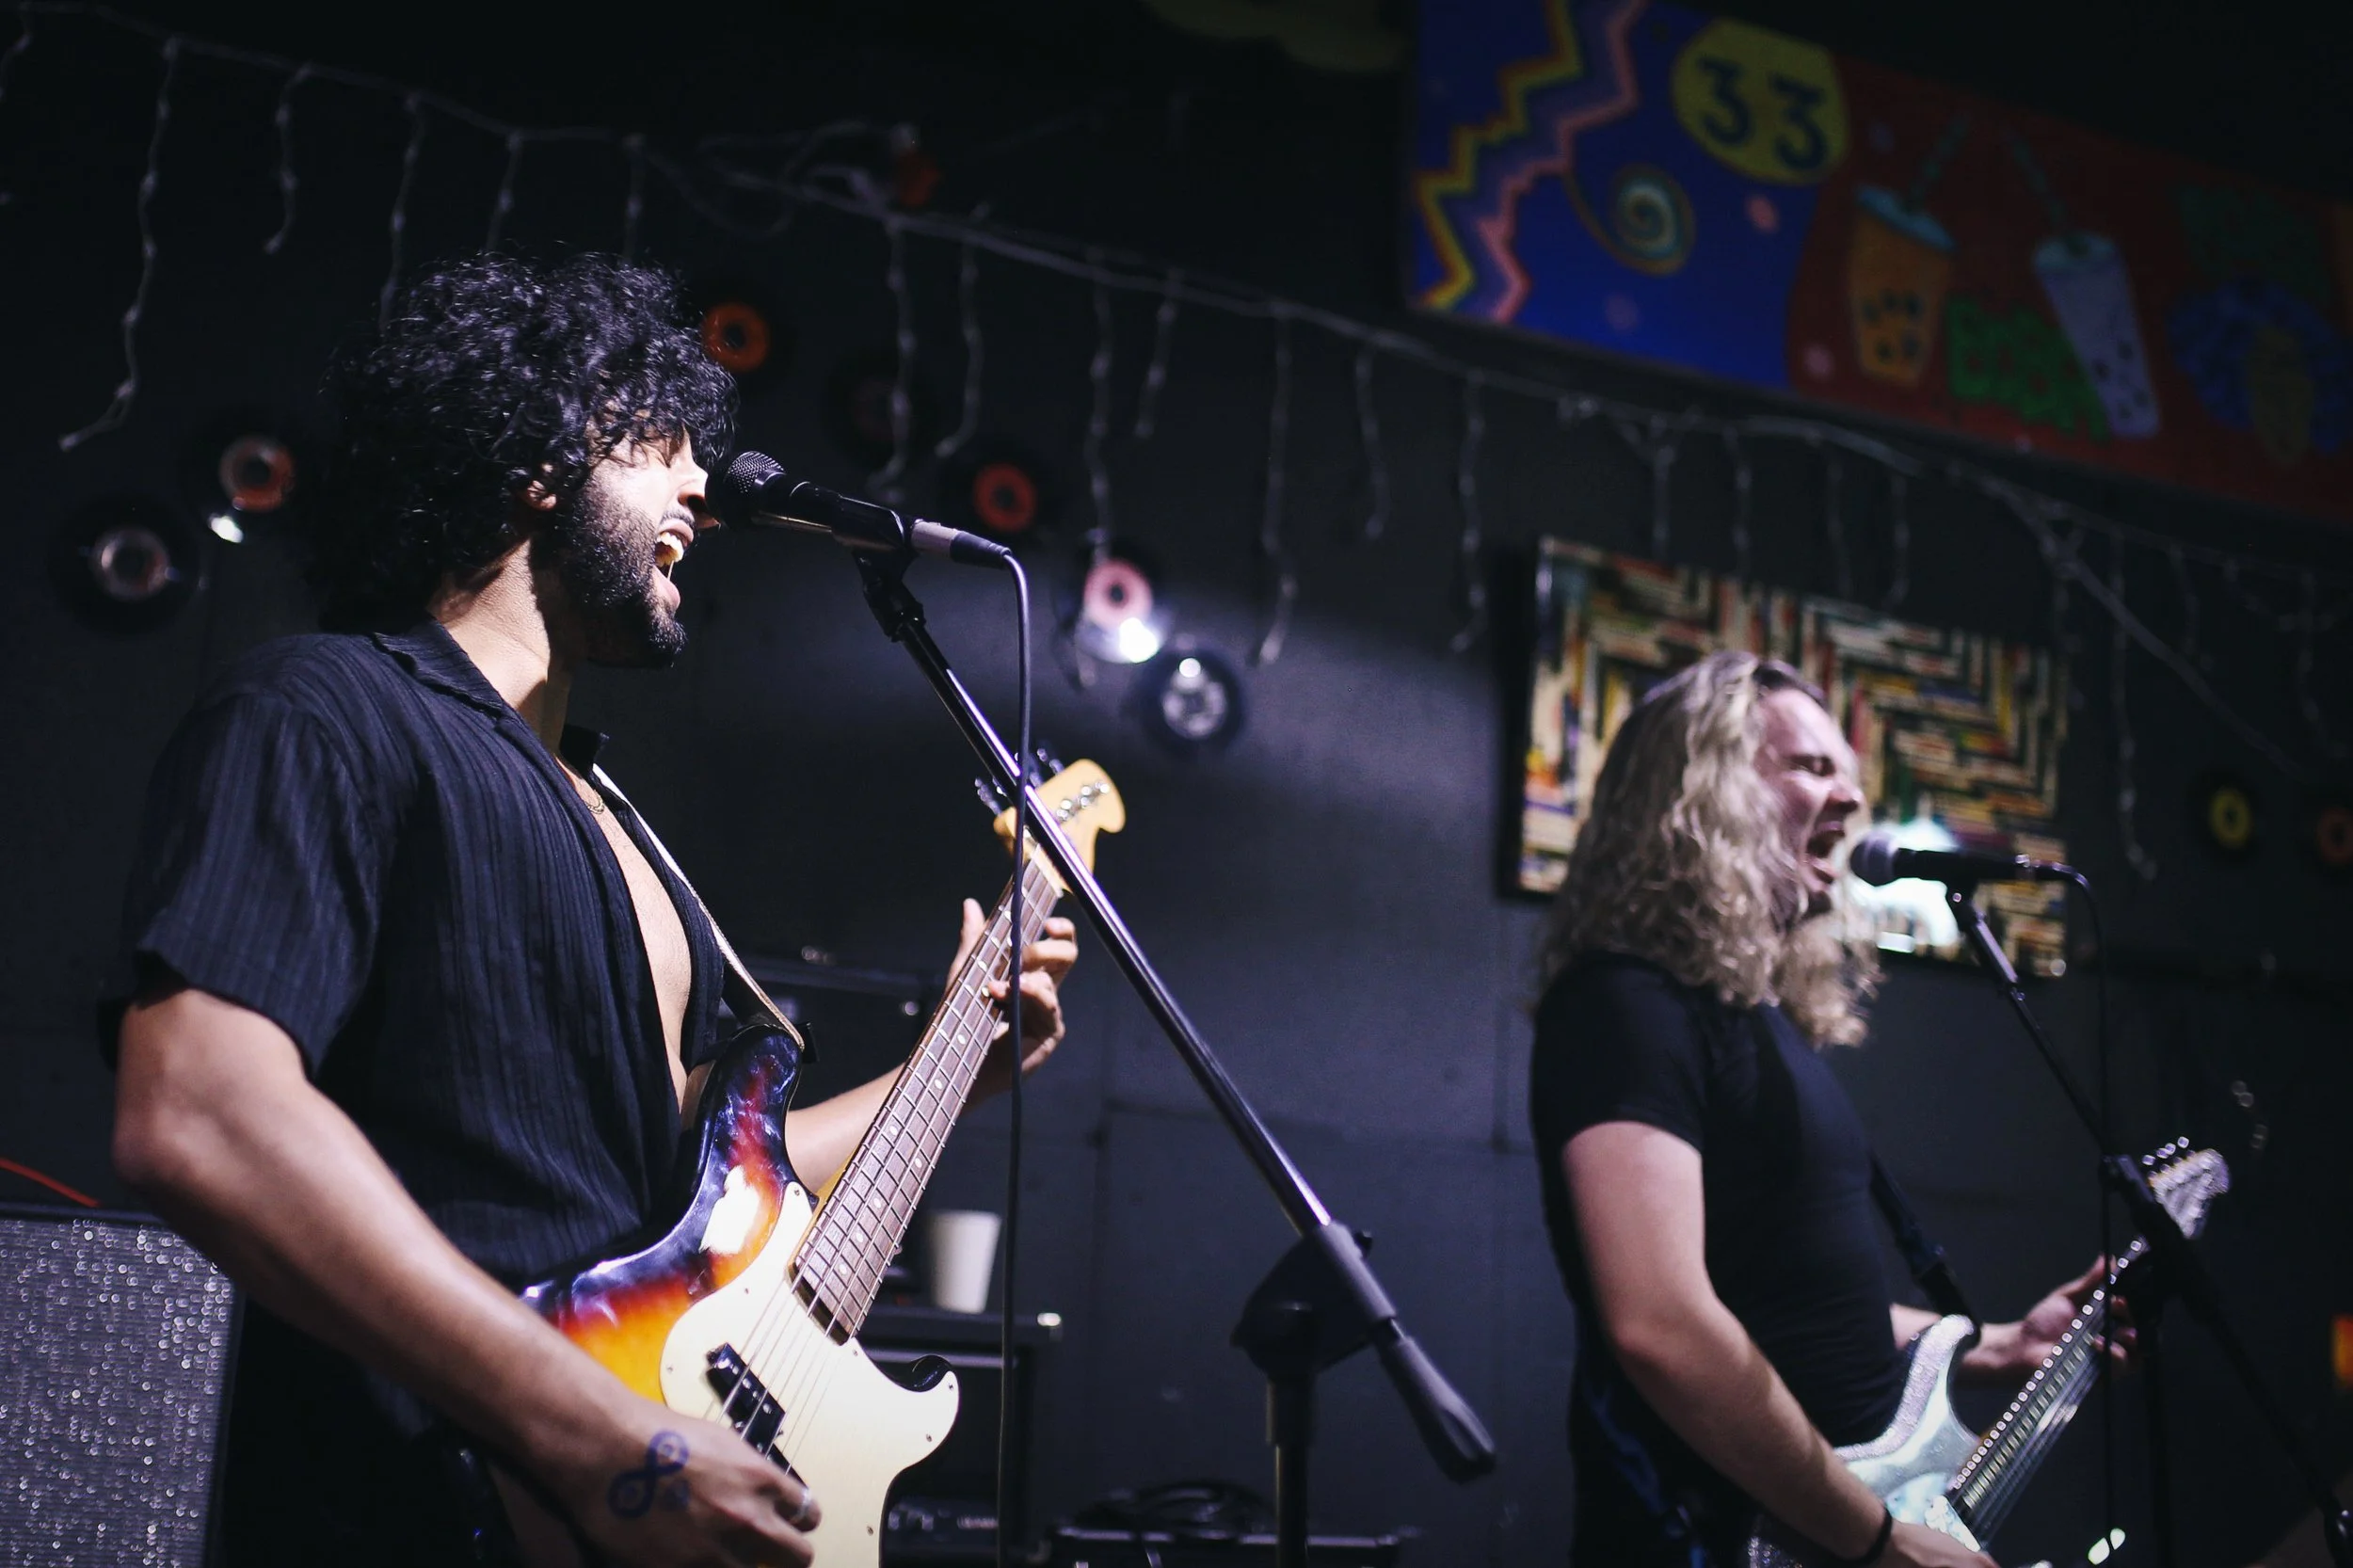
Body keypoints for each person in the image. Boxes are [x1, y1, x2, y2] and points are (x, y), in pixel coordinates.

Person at [104, 254, 1078, 1568]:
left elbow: (728, 1209)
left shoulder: (615, 815)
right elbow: (200, 1112)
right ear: (536, 461)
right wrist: (602, 1439)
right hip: (419, 1514)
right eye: (659, 447)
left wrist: (952, 1067)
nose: (702, 490)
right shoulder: (325, 708)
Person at [1529, 650, 2118, 1567]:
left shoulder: (1755, 1022)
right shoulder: (1626, 1004)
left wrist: (1992, 1343)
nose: (1848, 798)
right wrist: (1879, 1540)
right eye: (1810, 767)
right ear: (1701, 789)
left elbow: (1784, 1302)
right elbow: (1661, 1320)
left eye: (1850, 773)